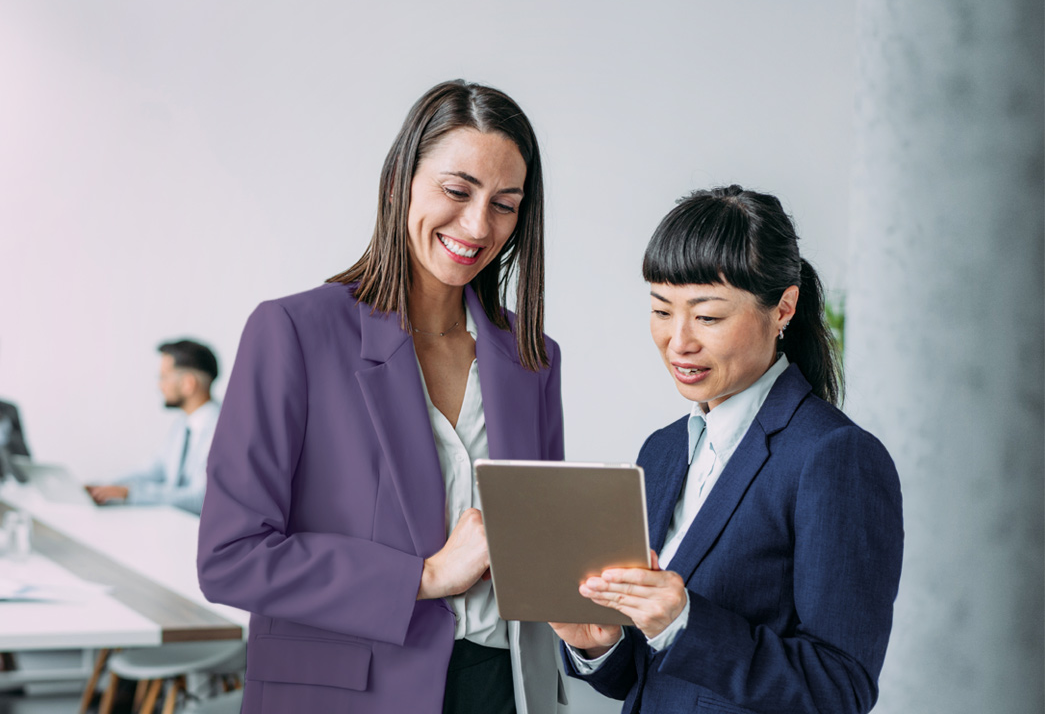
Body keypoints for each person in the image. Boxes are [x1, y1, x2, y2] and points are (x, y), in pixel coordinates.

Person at [197, 80, 566, 714]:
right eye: (457, 191)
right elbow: (232, 558)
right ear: (399, 184)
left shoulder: (532, 357)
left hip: (501, 688)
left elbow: (539, 545)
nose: (478, 225)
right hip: (349, 694)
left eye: (505, 204)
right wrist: (425, 577)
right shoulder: (294, 332)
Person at [552, 185, 904, 713]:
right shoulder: (662, 451)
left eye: (708, 317)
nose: (679, 341)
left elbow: (840, 689)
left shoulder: (834, 456)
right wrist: (600, 645)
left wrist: (684, 623)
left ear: (783, 308)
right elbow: (654, 681)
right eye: (661, 310)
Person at [86, 340, 220, 516]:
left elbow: (202, 498)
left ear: (188, 383)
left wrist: (131, 493)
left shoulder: (225, 431)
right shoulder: (182, 426)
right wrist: (105, 486)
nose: (159, 385)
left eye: (164, 377)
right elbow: (155, 469)